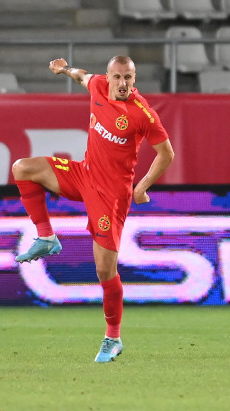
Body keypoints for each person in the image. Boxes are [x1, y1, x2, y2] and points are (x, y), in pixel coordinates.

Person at [12, 56, 175, 363]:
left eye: (128, 77)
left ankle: (113, 338)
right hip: (83, 174)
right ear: (109, 77)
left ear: (134, 78)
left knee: (104, 271)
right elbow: (82, 76)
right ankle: (47, 237)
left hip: (111, 196)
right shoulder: (99, 86)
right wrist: (64, 69)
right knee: (23, 168)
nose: (123, 83)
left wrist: (142, 187)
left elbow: (166, 154)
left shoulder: (143, 114)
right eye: (117, 77)